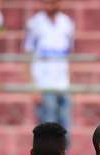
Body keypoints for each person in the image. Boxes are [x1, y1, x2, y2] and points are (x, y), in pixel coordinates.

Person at [24, 0, 75, 131]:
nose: (50, 6)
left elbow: (69, 55)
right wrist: (33, 87)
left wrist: (70, 82)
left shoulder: (67, 23)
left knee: (66, 129)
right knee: (48, 129)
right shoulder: (35, 23)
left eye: (53, 2)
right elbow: (28, 56)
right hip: (44, 84)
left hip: (63, 83)